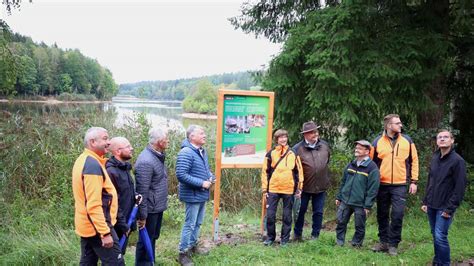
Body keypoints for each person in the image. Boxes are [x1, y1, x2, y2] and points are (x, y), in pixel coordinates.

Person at [72, 127, 124, 265]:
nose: (109, 142)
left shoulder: (85, 159)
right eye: (105, 139)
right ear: (92, 142)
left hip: (87, 225)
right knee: (116, 263)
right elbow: (93, 204)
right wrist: (105, 233)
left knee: (88, 262)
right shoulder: (91, 166)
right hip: (98, 227)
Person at [370, 114, 419, 256]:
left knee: (397, 214)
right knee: (382, 214)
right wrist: (372, 183)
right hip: (382, 185)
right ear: (389, 126)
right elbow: (371, 164)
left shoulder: (407, 141)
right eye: (397, 123)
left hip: (400, 185)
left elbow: (414, 160)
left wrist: (414, 181)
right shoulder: (377, 141)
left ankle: (393, 244)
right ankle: (383, 242)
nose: (400, 125)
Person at [421, 129, 467, 266]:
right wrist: (425, 201)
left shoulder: (457, 161)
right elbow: (431, 181)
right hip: (432, 205)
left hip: (445, 206)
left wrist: (450, 208)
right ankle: (437, 261)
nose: (442, 139)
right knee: (435, 236)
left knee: (440, 236)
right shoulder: (435, 157)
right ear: (436, 141)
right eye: (439, 137)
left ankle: (445, 263)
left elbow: (460, 187)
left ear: (452, 141)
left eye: (446, 137)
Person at [176, 125, 215, 266]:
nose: (204, 135)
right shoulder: (186, 152)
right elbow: (181, 174)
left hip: (201, 194)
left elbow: (204, 169)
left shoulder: (201, 151)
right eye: (201, 133)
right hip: (192, 195)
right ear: (192, 136)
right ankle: (183, 253)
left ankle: (192, 247)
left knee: (198, 223)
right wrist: (201, 183)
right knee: (190, 224)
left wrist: (210, 176)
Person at [261, 129, 303, 247]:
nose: (283, 139)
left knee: (287, 216)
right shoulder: (271, 154)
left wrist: (299, 188)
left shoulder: (293, 153)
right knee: (270, 215)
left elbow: (299, 171)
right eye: (280, 137)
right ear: (276, 139)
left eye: (285, 137)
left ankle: (285, 240)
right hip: (273, 189)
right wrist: (265, 189)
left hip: (288, 189)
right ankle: (270, 238)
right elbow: (265, 172)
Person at [135, 128, 169, 265]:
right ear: (159, 142)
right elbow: (141, 192)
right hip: (149, 209)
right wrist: (142, 216)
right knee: (145, 240)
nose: (168, 141)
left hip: (156, 207)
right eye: (166, 139)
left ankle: (150, 261)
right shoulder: (146, 161)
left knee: (152, 237)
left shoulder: (157, 155)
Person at [335, 140, 380, 247]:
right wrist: (339, 196)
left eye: (359, 148)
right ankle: (339, 242)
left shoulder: (372, 168)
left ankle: (356, 244)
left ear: (367, 151)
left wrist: (368, 205)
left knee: (359, 226)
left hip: (360, 203)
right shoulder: (351, 164)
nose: (356, 150)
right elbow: (343, 181)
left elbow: (373, 189)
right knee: (341, 222)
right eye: (356, 148)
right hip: (345, 200)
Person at [293, 121, 331, 241]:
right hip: (303, 188)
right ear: (305, 134)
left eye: (316, 131)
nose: (315, 134)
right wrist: (297, 187)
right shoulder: (297, 149)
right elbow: (293, 169)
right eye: (312, 132)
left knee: (318, 213)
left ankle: (315, 236)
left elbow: (327, 162)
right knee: (300, 212)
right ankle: (297, 235)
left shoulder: (324, 146)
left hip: (321, 186)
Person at [106, 137, 140, 255]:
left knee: (120, 254)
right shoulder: (111, 172)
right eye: (128, 146)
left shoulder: (124, 167)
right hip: (117, 225)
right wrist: (123, 226)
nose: (132, 149)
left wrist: (135, 196)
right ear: (117, 151)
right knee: (114, 258)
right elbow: (113, 202)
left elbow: (125, 192)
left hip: (127, 220)